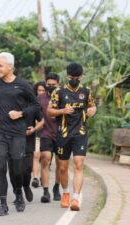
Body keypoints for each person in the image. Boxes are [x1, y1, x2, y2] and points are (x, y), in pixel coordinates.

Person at [0, 52, 40, 216]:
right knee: (0, 167)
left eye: (0, 66)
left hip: (17, 133)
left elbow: (35, 105)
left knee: (16, 169)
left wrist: (21, 113)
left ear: (10, 66)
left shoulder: (23, 85)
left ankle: (18, 194)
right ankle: (3, 205)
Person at [47, 63, 96, 211]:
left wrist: (92, 110)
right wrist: (63, 110)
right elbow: (50, 111)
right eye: (71, 77)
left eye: (76, 78)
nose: (74, 79)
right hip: (63, 134)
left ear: (81, 77)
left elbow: (92, 105)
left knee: (79, 164)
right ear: (67, 76)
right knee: (62, 167)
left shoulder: (86, 91)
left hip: (80, 133)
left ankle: (75, 198)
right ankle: (66, 193)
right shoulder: (58, 92)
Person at [9, 83, 44, 203]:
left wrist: (34, 129)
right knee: (14, 170)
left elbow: (41, 121)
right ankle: (17, 193)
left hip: (28, 140)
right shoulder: (11, 104)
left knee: (26, 169)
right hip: (12, 140)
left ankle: (26, 186)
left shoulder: (33, 106)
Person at [39, 73, 61, 203]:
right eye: (49, 85)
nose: (51, 87)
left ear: (58, 84)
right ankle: (45, 192)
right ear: (45, 84)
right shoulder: (40, 98)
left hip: (61, 134)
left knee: (60, 164)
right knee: (45, 160)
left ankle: (56, 188)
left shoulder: (64, 96)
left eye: (53, 85)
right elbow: (36, 114)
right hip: (45, 134)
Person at [31, 82, 46, 188]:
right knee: (36, 155)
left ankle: (43, 176)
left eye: (42, 90)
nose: (40, 92)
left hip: (47, 132)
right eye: (39, 90)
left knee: (44, 157)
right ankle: (35, 178)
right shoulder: (33, 101)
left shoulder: (50, 101)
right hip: (36, 131)